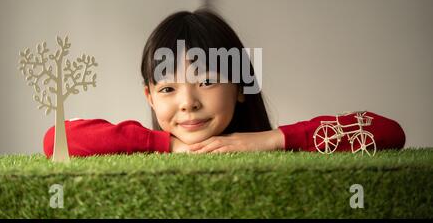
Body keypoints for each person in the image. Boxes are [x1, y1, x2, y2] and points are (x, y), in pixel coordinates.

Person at [43, 8, 405, 158]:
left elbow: (389, 133)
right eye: (168, 89)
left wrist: (272, 139)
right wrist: (172, 147)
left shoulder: (271, 148)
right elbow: (55, 140)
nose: (187, 102)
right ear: (149, 97)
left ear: (242, 86)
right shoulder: (152, 149)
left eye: (207, 81)